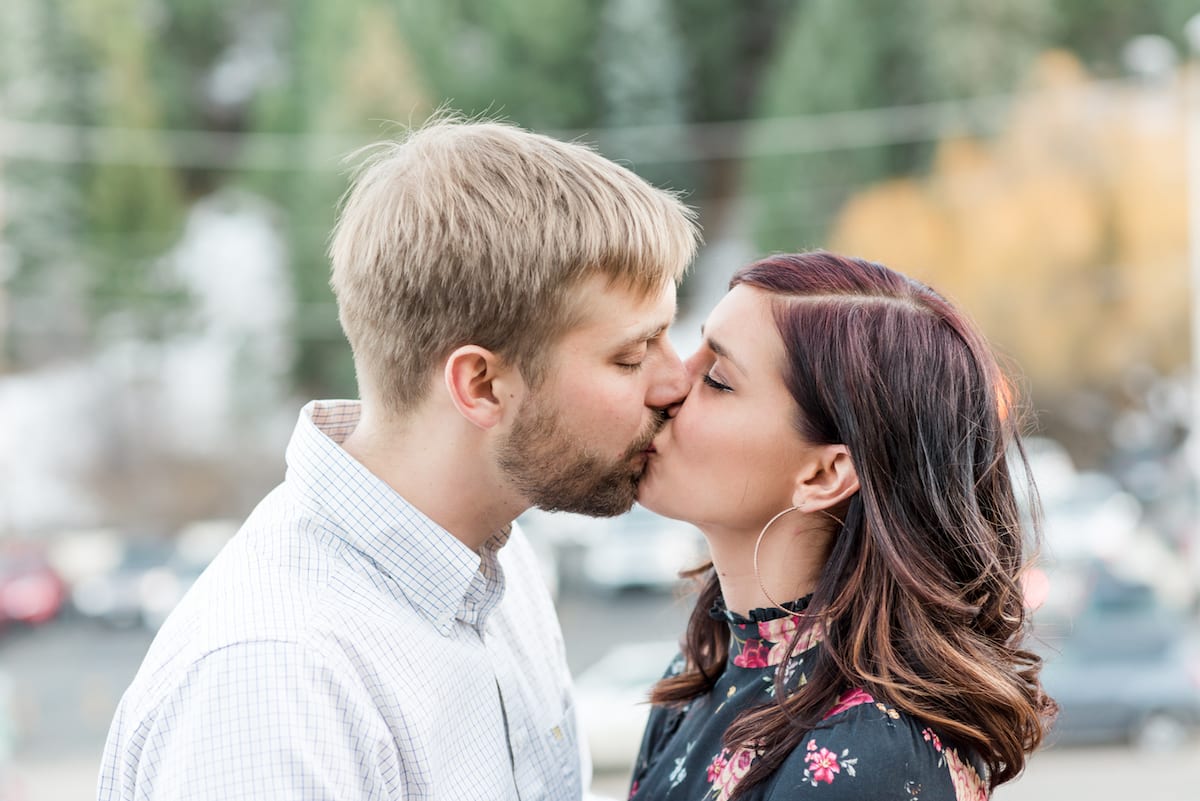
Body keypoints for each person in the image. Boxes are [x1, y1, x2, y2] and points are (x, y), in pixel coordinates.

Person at [97, 117, 700, 800]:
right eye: (632, 355)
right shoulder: (273, 681)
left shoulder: (501, 564)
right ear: (481, 385)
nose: (675, 380)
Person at [630, 251, 1056, 800]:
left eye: (717, 379)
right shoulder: (703, 671)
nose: (668, 384)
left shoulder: (866, 754)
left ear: (824, 474)